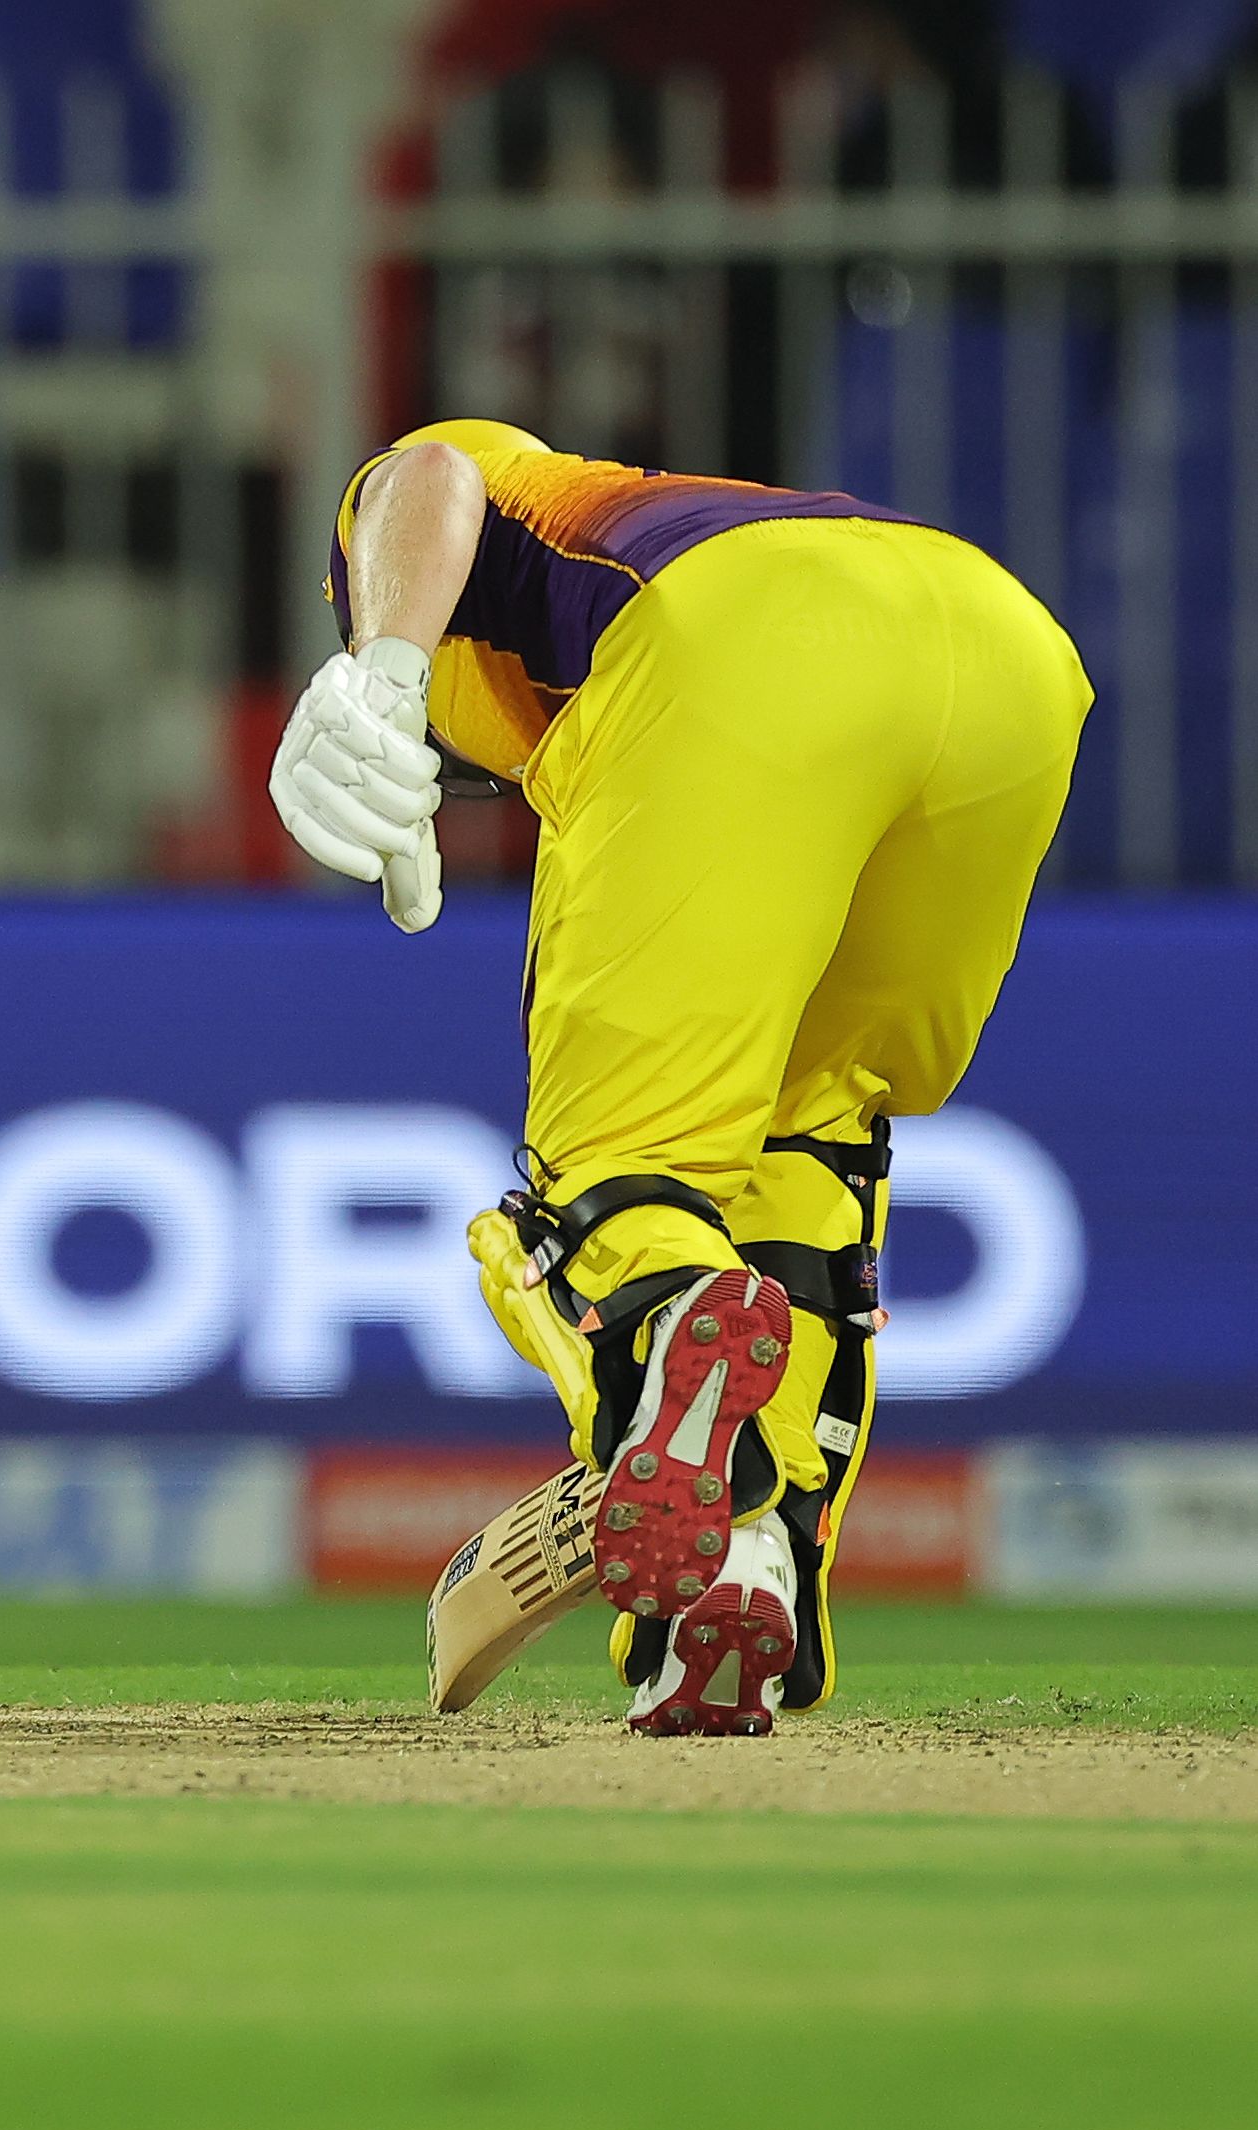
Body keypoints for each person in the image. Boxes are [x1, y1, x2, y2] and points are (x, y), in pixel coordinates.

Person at [275, 419, 1085, 1736]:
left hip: (738, 639)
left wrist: (376, 668)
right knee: (806, 1135)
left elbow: (421, 473)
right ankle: (740, 1576)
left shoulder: (455, 557)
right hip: (1006, 658)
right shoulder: (655, 545)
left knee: (595, 1197)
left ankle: (681, 1331)